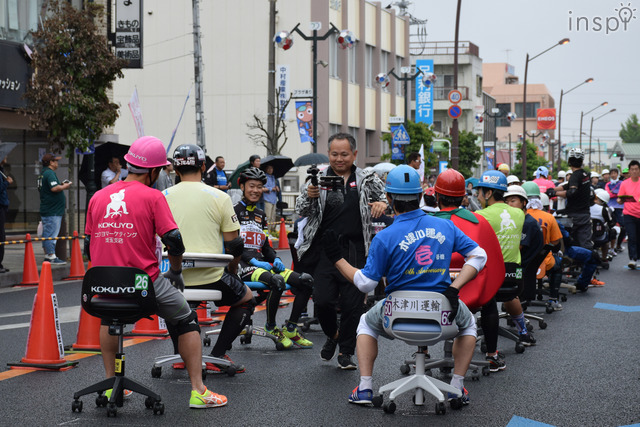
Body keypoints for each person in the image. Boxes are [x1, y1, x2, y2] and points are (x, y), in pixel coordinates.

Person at [322, 165, 486, 405]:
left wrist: (337, 259)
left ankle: (366, 388)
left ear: (388, 197)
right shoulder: (446, 226)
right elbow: (479, 255)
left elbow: (366, 284)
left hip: (396, 315)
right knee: (469, 325)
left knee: (365, 324)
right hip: (440, 312)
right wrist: (455, 287)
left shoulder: (384, 237)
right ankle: (456, 388)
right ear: (420, 196)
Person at [85, 136, 227, 409]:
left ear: (129, 165)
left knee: (109, 318)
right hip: (141, 284)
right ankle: (198, 390)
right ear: (154, 170)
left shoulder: (99, 197)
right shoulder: (153, 196)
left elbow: (87, 244)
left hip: (99, 286)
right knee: (186, 318)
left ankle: (109, 386)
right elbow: (174, 241)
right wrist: (175, 271)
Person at [295, 132, 387, 370]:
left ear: (354, 154)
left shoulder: (367, 178)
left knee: (352, 305)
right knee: (323, 300)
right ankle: (333, 335)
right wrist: (310, 196)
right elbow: (301, 209)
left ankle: (345, 351)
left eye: (344, 154)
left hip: (356, 248)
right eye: (334, 154)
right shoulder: (317, 179)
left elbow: (385, 199)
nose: (339, 159)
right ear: (329, 154)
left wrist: (381, 204)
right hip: (326, 249)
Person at [164, 144, 253, 374]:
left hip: (173, 277)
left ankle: (180, 355)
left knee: (176, 304)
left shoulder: (161, 197)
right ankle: (217, 354)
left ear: (175, 170)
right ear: (203, 166)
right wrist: (233, 270)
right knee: (247, 299)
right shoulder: (220, 197)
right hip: (211, 277)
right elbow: (234, 244)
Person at [234, 167, 314, 349]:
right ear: (242, 186)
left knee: (306, 281)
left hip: (262, 266)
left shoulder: (261, 216)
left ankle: (292, 328)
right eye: (251, 186)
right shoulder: (234, 212)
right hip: (242, 265)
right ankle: (271, 326)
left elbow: (265, 246)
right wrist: (253, 261)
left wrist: (275, 258)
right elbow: (233, 246)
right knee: (277, 281)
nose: (255, 190)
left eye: (259, 186)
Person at [475, 170, 536, 355]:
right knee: (511, 296)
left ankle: (470, 336)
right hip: (515, 276)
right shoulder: (518, 214)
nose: (477, 196)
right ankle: (523, 332)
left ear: (488, 193)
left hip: (492, 278)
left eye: (479, 192)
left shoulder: (480, 215)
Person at [519, 183, 564, 310]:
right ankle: (553, 299)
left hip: (522, 260)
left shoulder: (518, 217)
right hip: (544, 260)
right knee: (558, 265)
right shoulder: (549, 217)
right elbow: (556, 243)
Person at [554, 148, 593, 250]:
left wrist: (554, 193)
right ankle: (590, 263)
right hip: (585, 214)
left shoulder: (575, 175)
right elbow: (569, 186)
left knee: (567, 242)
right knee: (585, 244)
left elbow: (572, 192)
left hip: (574, 215)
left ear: (569, 161)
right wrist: (553, 189)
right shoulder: (585, 174)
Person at [38, 153, 71, 264]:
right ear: (51, 162)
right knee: (51, 234)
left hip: (49, 208)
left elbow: (51, 187)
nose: (57, 163)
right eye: (55, 161)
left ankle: (49, 255)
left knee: (48, 233)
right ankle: (51, 256)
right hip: (52, 210)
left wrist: (60, 184)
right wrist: (64, 186)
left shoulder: (43, 173)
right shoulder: (49, 173)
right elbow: (54, 188)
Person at [617, 160, 640, 269]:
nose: (634, 171)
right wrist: (620, 201)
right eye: (632, 169)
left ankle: (639, 258)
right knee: (632, 237)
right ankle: (633, 259)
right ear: (629, 171)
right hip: (629, 214)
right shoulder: (624, 183)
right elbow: (619, 198)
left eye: (636, 169)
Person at [605, 168, 626, 252]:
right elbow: (608, 195)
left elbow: (623, 193)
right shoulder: (608, 184)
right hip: (610, 208)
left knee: (623, 227)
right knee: (610, 227)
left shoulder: (622, 183)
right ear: (610, 175)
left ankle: (618, 245)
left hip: (620, 207)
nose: (613, 175)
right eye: (612, 173)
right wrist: (617, 193)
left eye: (615, 173)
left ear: (618, 174)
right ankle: (611, 246)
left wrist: (614, 193)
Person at [0, 156, 12, 273]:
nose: (6, 157)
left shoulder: (1, 170)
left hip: (3, 206)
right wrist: (7, 182)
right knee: (0, 236)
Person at [262, 164, 280, 235]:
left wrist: (277, 188)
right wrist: (271, 188)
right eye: (268, 168)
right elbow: (263, 188)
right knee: (268, 217)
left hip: (274, 199)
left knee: (273, 218)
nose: (270, 170)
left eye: (271, 168)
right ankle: (267, 233)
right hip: (267, 199)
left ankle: (272, 233)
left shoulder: (274, 178)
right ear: (266, 169)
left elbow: (275, 187)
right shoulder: (264, 177)